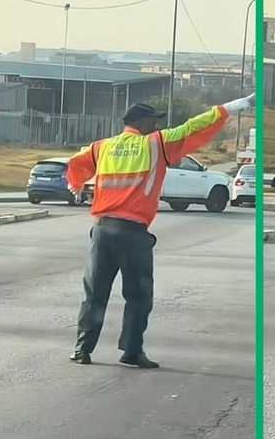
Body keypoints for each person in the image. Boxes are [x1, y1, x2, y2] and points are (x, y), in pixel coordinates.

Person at [66, 94, 254, 368]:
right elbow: (191, 128)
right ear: (141, 122)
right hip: (133, 233)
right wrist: (226, 109)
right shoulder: (156, 143)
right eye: (153, 121)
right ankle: (131, 352)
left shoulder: (102, 147)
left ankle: (82, 349)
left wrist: (75, 183)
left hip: (103, 231)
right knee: (138, 296)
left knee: (94, 294)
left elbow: (75, 162)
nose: (156, 125)